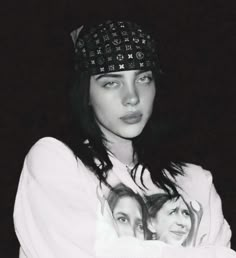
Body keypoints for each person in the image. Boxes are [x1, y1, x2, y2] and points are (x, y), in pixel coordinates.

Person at [14, 20, 236, 258]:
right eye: (111, 83)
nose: (131, 97)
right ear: (86, 93)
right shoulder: (56, 161)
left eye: (143, 79)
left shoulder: (194, 181)